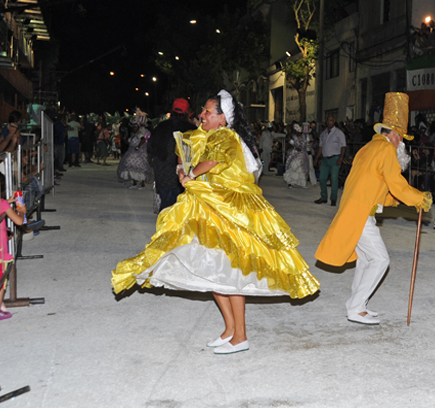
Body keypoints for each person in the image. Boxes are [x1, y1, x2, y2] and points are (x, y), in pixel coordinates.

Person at [112, 90, 319, 354]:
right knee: (215, 274)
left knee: (230, 275)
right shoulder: (209, 135)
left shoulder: (226, 136)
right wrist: (182, 166)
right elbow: (188, 148)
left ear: (223, 118)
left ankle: (240, 335)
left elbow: (212, 161)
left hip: (229, 211)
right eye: (202, 111)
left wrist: (191, 173)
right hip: (211, 207)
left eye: (208, 112)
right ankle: (230, 329)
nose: (202, 115)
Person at [315, 93, 431, 325]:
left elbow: (375, 184)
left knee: (366, 261)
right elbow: (396, 183)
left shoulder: (368, 148)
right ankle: (356, 308)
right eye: (402, 138)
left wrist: (396, 201)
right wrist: (418, 198)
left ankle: (356, 305)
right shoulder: (387, 150)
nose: (402, 143)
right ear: (395, 134)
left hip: (353, 211)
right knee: (380, 260)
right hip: (360, 214)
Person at [147, 98, 196, 211]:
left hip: (164, 176)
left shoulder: (161, 127)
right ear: (187, 112)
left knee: (167, 209)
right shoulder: (192, 130)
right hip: (186, 177)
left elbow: (150, 150)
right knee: (184, 211)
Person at [0, 195, 27, 321]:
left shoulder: (2, 204)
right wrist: (22, 212)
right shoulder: (1, 203)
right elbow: (19, 221)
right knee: (1, 279)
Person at [116, 110, 154, 189]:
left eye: (135, 126)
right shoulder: (134, 134)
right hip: (132, 152)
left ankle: (142, 184)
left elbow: (143, 140)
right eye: (133, 126)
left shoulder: (141, 133)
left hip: (140, 153)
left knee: (140, 169)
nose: (133, 127)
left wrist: (138, 147)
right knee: (131, 168)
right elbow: (129, 142)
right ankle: (134, 183)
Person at [314, 115, 346, 206]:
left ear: (334, 121)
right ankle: (323, 197)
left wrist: (341, 158)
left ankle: (333, 199)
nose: (329, 122)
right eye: (328, 120)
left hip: (335, 158)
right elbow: (321, 147)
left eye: (331, 120)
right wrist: (316, 158)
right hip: (325, 159)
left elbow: (343, 146)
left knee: (334, 179)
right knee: (322, 178)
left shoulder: (339, 133)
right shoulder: (323, 133)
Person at [284, 122, 312, 189]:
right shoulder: (294, 137)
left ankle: (301, 183)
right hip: (295, 154)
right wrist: (294, 148)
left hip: (303, 155)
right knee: (293, 167)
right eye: (297, 131)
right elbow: (289, 144)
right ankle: (290, 182)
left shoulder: (305, 137)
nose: (298, 132)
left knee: (302, 170)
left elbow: (309, 143)